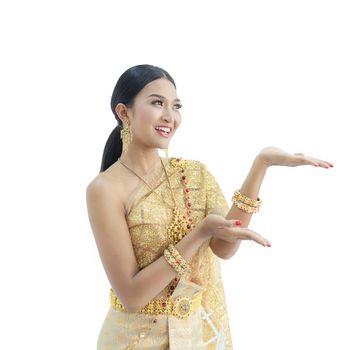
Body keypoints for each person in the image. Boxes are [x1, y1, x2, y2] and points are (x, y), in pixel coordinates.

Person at [86, 64, 334, 350]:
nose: (170, 116)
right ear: (123, 112)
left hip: (197, 335)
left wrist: (261, 164)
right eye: (157, 103)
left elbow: (224, 248)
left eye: (176, 106)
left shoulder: (193, 175)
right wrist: (199, 233)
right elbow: (131, 295)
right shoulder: (104, 190)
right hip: (135, 340)